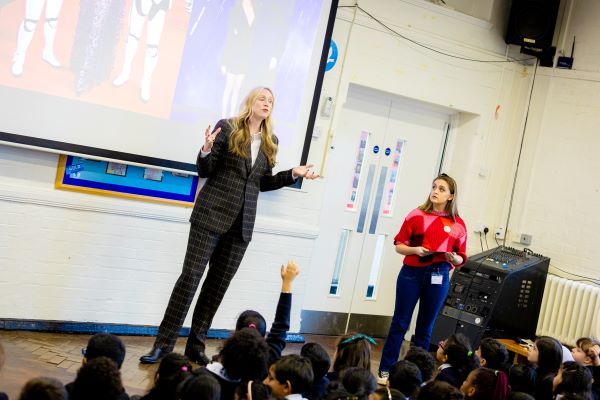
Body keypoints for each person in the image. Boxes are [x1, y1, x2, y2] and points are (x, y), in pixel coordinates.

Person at [140, 87, 318, 364]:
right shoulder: (229, 127)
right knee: (189, 281)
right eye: (262, 98)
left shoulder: (271, 141)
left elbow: (262, 183)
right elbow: (206, 170)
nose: (267, 103)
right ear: (250, 102)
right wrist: (206, 149)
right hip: (210, 216)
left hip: (241, 227)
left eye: (271, 101)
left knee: (216, 288)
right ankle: (163, 344)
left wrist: (292, 174)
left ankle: (195, 346)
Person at [377, 173, 467, 385]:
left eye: (441, 189)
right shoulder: (416, 215)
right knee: (400, 323)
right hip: (411, 274)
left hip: (439, 274)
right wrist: (415, 250)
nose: (435, 191)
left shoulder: (457, 224)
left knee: (425, 329)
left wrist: (454, 257)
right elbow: (399, 245)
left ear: (451, 196)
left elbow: (461, 256)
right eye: (434, 186)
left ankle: (416, 375)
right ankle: (385, 370)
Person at [527, 336, 563, 400]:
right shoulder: (537, 369)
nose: (529, 348)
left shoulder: (548, 381)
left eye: (534, 348)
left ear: (545, 355)